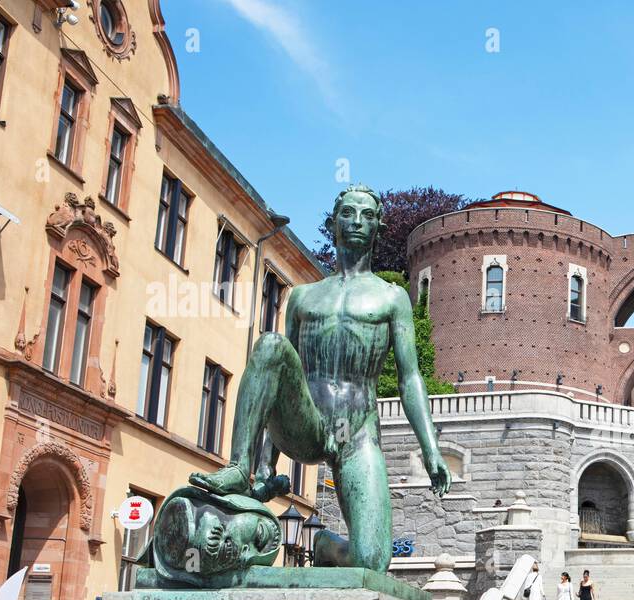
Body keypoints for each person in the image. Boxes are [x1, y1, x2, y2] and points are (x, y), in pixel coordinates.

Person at [190, 184, 451, 570]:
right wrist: (267, 464)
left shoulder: (391, 297)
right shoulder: (303, 297)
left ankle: (327, 546)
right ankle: (237, 469)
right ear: (334, 223)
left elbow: (410, 378)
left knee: (372, 560)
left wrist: (431, 449)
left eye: (366, 215)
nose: (357, 222)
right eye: (348, 213)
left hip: (357, 430)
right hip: (307, 422)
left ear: (378, 226)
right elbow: (277, 375)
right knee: (271, 344)